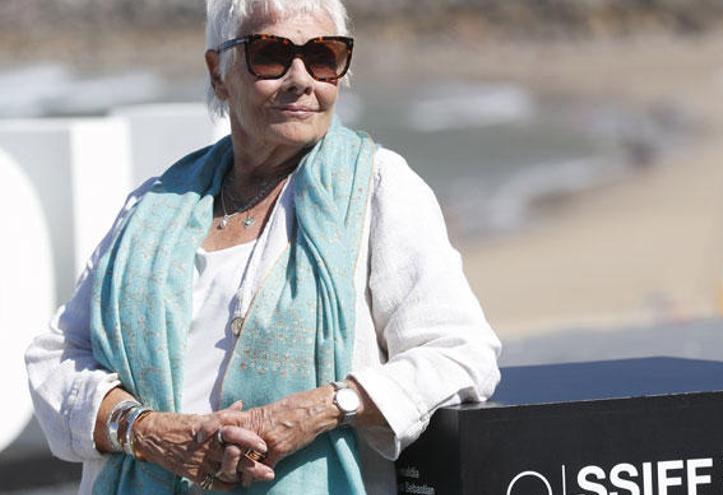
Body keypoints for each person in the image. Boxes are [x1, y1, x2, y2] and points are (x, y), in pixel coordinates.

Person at [24, 0, 502, 493]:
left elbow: (460, 353)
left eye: (323, 56)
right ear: (218, 72)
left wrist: (319, 409)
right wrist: (145, 432)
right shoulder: (154, 206)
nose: (301, 78)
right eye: (270, 54)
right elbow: (57, 356)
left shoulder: (379, 189)